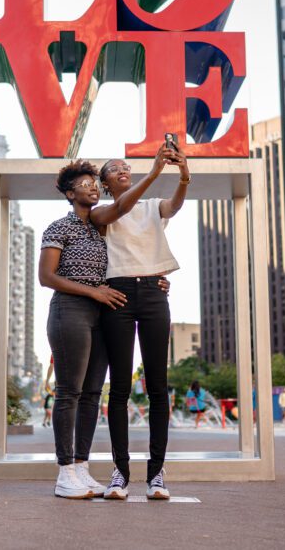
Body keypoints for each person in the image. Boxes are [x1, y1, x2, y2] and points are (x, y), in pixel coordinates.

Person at [39, 153, 170, 500]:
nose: (92, 188)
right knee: (69, 392)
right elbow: (46, 277)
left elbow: (131, 251)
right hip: (71, 310)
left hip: (101, 315)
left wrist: (156, 280)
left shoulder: (100, 229)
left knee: (93, 393)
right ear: (70, 194)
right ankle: (65, 470)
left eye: (94, 183)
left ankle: (81, 467)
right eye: (84, 184)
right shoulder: (59, 227)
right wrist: (93, 291)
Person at [92, 144, 188, 501]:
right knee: (119, 387)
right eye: (115, 168)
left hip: (152, 291)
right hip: (117, 293)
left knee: (157, 386)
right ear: (104, 183)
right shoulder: (103, 212)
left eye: (125, 166)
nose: (123, 169)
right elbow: (122, 207)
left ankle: (157, 474)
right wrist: (154, 172)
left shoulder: (151, 206)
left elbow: (174, 206)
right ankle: (120, 472)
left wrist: (183, 174)